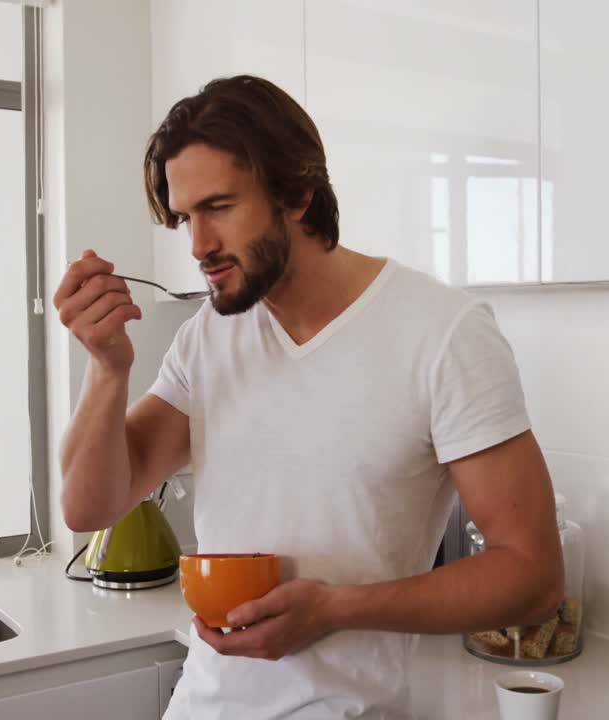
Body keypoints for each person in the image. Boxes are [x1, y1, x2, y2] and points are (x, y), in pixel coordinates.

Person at [55, 75, 564, 720]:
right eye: (186, 217)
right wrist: (106, 367)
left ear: (297, 193)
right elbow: (88, 505)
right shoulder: (207, 337)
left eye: (219, 206)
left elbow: (534, 575)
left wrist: (335, 607)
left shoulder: (444, 334)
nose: (198, 245)